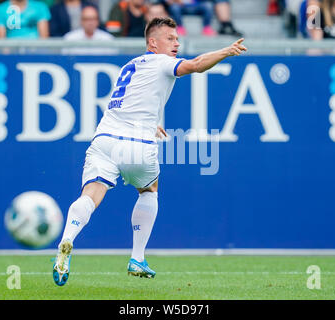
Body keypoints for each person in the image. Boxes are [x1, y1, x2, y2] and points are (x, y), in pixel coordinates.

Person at [52, 16, 247, 286]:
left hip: (104, 139)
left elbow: (130, 101)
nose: (177, 43)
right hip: (137, 144)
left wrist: (151, 121)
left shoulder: (130, 65)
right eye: (170, 38)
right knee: (149, 189)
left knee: (92, 192)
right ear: (152, 43)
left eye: (177, 38)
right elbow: (197, 66)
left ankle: (67, 240)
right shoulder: (163, 62)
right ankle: (137, 257)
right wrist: (226, 50)